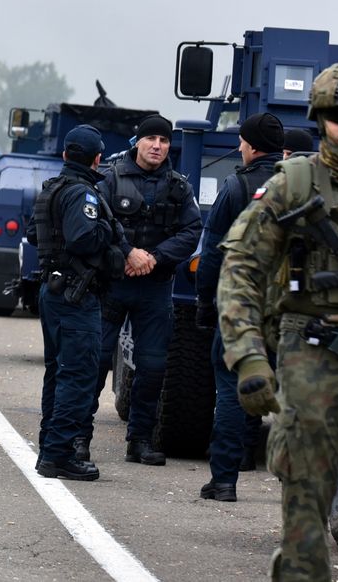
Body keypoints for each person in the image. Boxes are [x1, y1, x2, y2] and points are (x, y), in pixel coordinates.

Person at [218, 61, 338, 580]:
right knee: (306, 502)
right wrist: (248, 357)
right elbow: (241, 269)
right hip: (312, 356)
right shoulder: (292, 184)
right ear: (320, 118)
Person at [87, 114, 202, 465]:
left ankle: (139, 440)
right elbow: (97, 224)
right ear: (138, 141)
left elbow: (191, 231)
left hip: (155, 287)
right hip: (114, 284)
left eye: (164, 141)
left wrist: (153, 257)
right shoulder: (110, 178)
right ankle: (78, 437)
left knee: (152, 367)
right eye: (151, 139)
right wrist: (127, 253)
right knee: (95, 361)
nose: (157, 146)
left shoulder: (179, 186)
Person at [195, 113, 284, 501]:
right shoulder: (300, 186)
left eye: (242, 143)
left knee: (231, 389)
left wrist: (205, 300)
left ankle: (225, 480)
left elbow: (213, 252)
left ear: (250, 146)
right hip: (290, 308)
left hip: (242, 308)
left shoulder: (235, 186)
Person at [28, 125, 124, 481]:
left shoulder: (52, 188)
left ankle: (49, 448)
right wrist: (109, 231)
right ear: (97, 158)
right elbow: (83, 238)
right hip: (76, 295)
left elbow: (33, 233)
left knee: (58, 372)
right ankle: (59, 454)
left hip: (55, 291)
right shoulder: (83, 193)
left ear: (66, 154)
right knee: (79, 375)